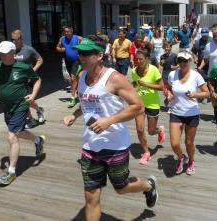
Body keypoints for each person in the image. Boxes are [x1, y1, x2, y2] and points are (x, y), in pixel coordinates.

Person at [63, 37, 158, 221]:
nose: (80, 56)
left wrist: (109, 121)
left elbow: (138, 106)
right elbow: (85, 102)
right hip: (90, 146)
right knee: (91, 197)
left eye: (86, 53)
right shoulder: (82, 76)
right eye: (79, 53)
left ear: (99, 55)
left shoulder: (115, 78)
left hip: (115, 146)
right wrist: (74, 115)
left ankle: (148, 185)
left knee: (121, 188)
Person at [0, 41, 45, 185]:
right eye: (0, 53)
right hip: (6, 106)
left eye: (5, 53)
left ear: (13, 53)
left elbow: (37, 80)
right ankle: (37, 140)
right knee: (18, 132)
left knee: (12, 137)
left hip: (20, 105)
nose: (2, 55)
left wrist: (32, 95)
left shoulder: (24, 67)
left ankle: (11, 172)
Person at [165, 50, 209, 175]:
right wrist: (169, 95)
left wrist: (195, 94)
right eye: (180, 60)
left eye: (185, 61)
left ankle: (191, 161)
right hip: (176, 112)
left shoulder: (196, 76)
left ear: (190, 61)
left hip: (192, 113)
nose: (182, 63)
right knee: (174, 144)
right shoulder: (172, 74)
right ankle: (181, 157)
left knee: (189, 143)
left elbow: (206, 93)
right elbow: (168, 89)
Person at [131, 49, 165, 165]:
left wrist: (147, 84)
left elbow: (161, 87)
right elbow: (135, 83)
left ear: (147, 59)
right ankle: (146, 152)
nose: (138, 61)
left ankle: (159, 130)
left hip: (153, 103)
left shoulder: (154, 70)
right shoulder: (134, 71)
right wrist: (130, 88)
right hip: (139, 103)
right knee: (140, 130)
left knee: (151, 131)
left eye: (141, 59)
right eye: (137, 59)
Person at [11, 29, 45, 129]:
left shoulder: (28, 49)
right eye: (12, 39)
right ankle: (31, 117)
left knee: (27, 100)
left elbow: (40, 60)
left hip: (29, 79)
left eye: (16, 39)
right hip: (17, 79)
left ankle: (38, 111)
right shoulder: (11, 50)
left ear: (21, 39)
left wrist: (33, 70)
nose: (14, 42)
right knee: (23, 100)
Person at [56, 26, 83, 108]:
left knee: (73, 78)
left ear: (72, 31)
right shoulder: (62, 39)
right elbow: (57, 47)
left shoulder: (78, 38)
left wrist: (82, 50)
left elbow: (87, 43)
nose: (67, 33)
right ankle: (79, 90)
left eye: (68, 31)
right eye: (65, 32)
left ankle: (72, 97)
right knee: (74, 79)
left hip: (77, 61)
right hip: (68, 61)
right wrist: (60, 50)